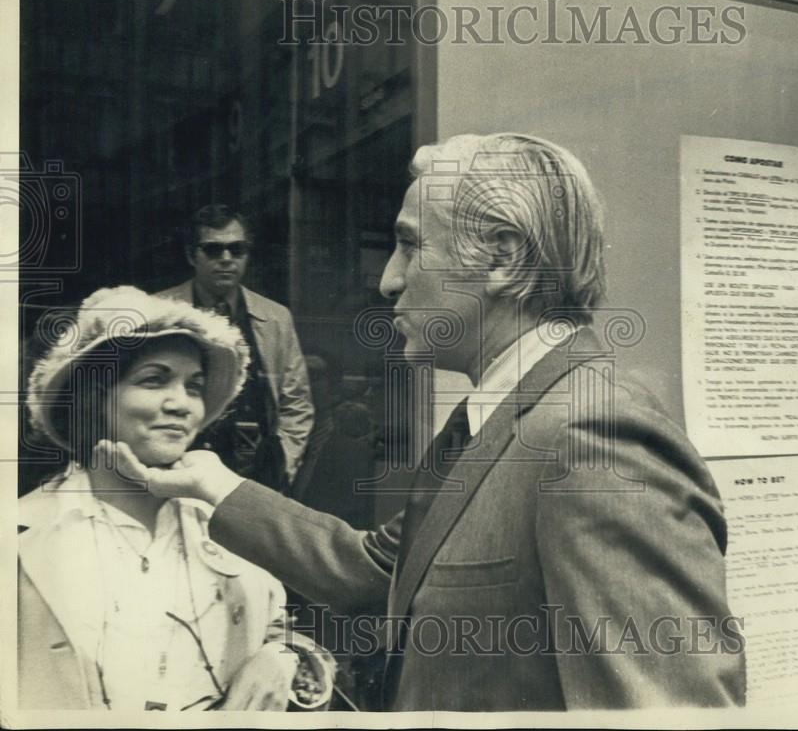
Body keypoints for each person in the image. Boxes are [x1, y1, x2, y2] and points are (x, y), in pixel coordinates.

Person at [115, 134, 746, 710]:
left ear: (501, 257)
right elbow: (372, 568)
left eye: (412, 245)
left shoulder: (594, 435)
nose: (389, 280)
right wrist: (209, 481)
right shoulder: (493, 420)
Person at [18, 286, 329, 711]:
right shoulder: (24, 536)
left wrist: (286, 657)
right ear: (95, 397)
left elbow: (277, 629)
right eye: (154, 380)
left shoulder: (225, 522)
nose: (181, 404)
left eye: (194, 386)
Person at [157, 205, 313, 491]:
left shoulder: (276, 318)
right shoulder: (159, 312)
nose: (226, 259)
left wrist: (282, 464)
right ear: (192, 255)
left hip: (255, 475)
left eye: (237, 249)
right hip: (180, 468)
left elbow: (297, 404)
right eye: (213, 250)